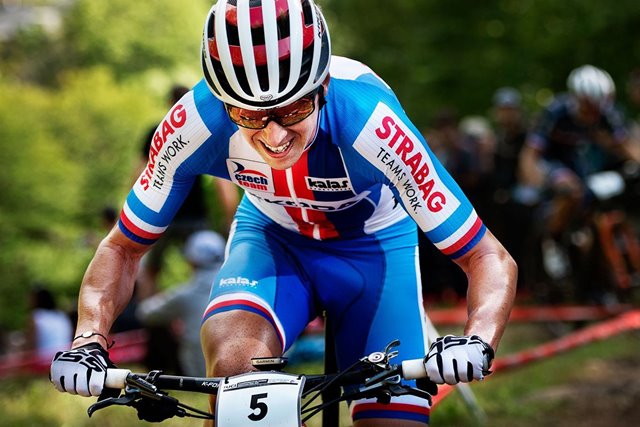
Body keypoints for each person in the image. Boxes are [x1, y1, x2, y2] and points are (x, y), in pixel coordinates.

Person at [50, 1, 517, 426]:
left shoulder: (371, 124)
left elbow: (488, 257)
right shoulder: (194, 124)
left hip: (375, 249)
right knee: (236, 377)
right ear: (224, 103)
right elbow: (122, 247)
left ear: (323, 85)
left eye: (292, 109)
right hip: (273, 243)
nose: (274, 136)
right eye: (250, 117)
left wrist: (477, 339)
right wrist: (88, 340)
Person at [519, 65, 640, 296]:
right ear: (578, 98)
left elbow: (627, 145)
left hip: (586, 167)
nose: (593, 113)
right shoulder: (556, 111)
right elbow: (531, 153)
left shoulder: (608, 113)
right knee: (571, 190)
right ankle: (553, 241)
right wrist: (532, 181)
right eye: (589, 106)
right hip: (556, 164)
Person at [136, 230, 226, 377]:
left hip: (199, 375)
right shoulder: (237, 288)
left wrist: (147, 282)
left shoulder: (187, 294)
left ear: (191, 261)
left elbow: (146, 312)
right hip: (236, 372)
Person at [26, 286, 73, 359]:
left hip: (44, 360)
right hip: (65, 357)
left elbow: (31, 345)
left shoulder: (36, 316)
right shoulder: (62, 315)